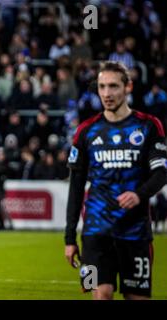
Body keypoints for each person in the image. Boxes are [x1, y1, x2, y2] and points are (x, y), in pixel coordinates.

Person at [64, 61, 167, 300]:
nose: (107, 94)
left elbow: (161, 173)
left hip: (135, 232)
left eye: (113, 86)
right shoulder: (86, 130)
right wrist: (70, 238)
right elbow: (76, 186)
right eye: (101, 87)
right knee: (101, 295)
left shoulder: (149, 126)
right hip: (94, 233)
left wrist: (139, 194)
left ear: (128, 87)